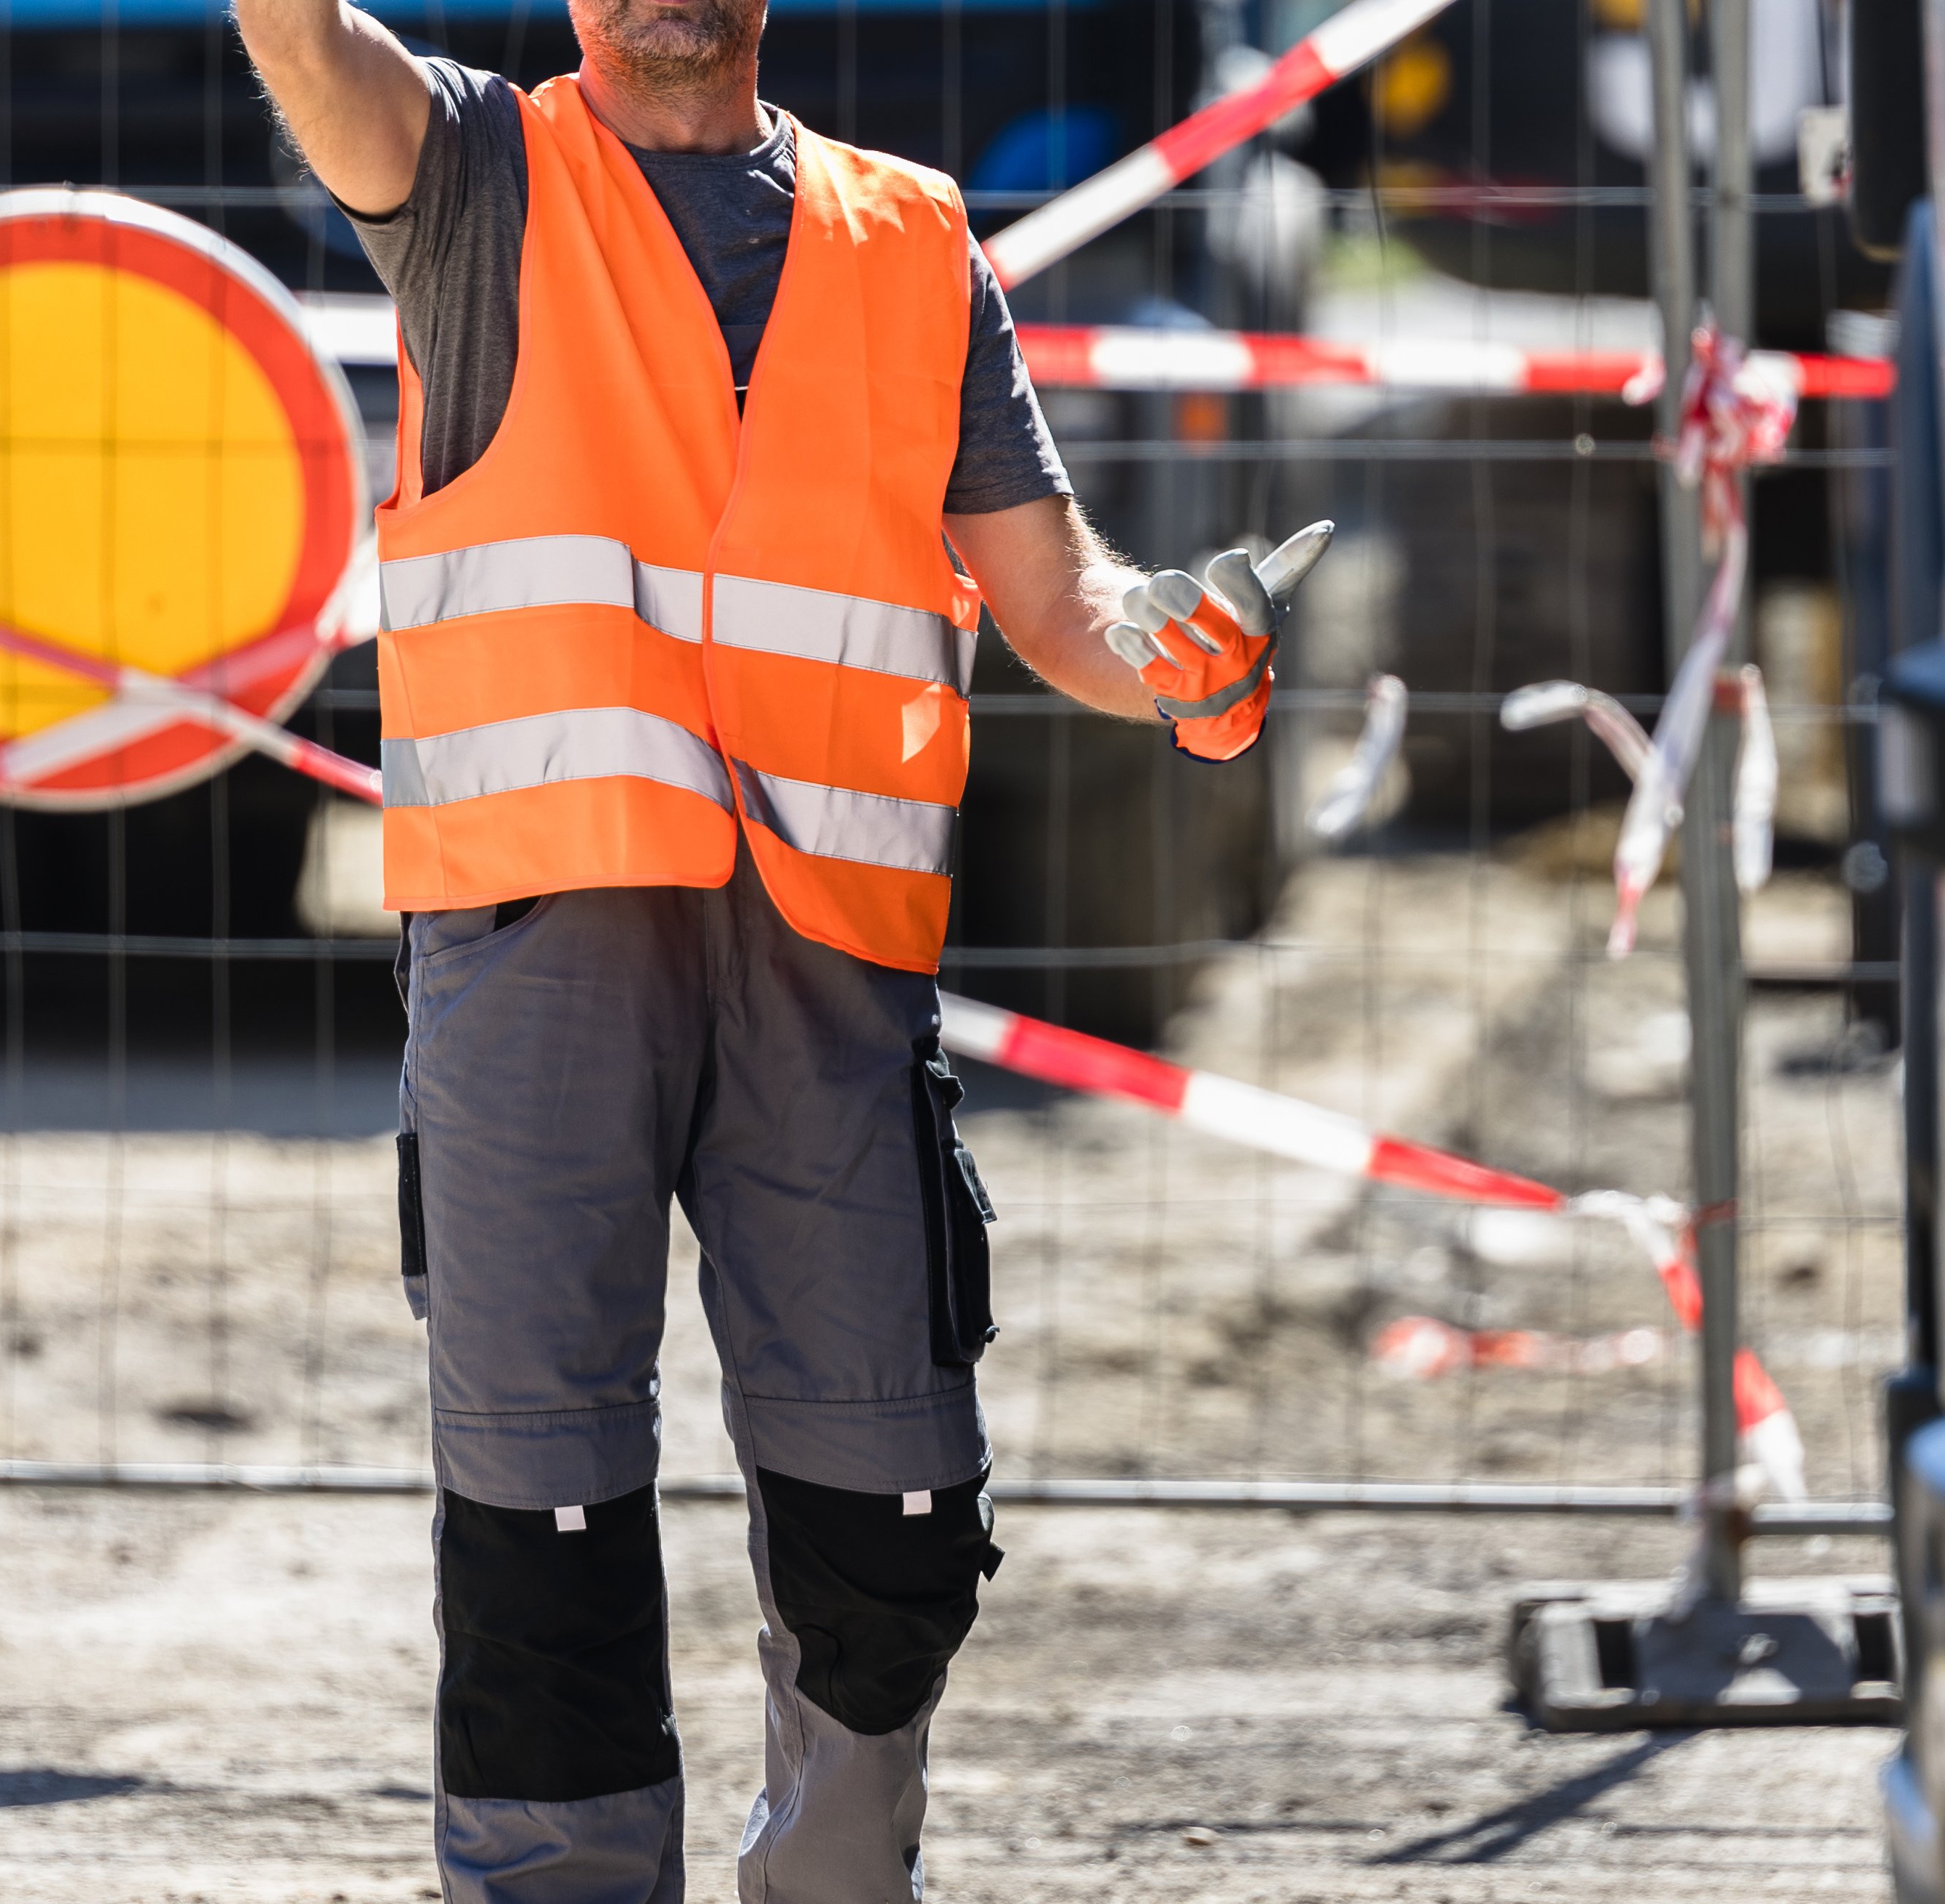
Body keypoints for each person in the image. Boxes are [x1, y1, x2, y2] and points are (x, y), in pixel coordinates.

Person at [232, 1, 1322, 1897]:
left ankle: (834, 1871)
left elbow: (1054, 582)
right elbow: (321, 59)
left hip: (828, 955)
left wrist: (1177, 655)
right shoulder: (481, 179)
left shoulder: (911, 243)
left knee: (888, 1500)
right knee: (539, 1509)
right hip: (543, 925)